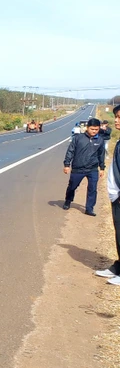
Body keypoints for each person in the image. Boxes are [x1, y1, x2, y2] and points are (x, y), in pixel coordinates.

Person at [63, 116, 105, 215]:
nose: (94, 131)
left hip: (92, 169)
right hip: (78, 167)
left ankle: (89, 208)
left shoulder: (100, 140)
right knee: (72, 186)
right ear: (87, 128)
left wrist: (102, 167)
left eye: (96, 129)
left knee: (93, 189)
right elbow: (70, 151)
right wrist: (67, 164)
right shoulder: (78, 138)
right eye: (92, 129)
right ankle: (68, 200)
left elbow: (101, 154)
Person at [97, 105, 120, 283]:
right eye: (116, 117)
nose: (116, 120)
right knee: (118, 233)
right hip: (116, 197)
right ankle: (118, 267)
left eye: (119, 117)